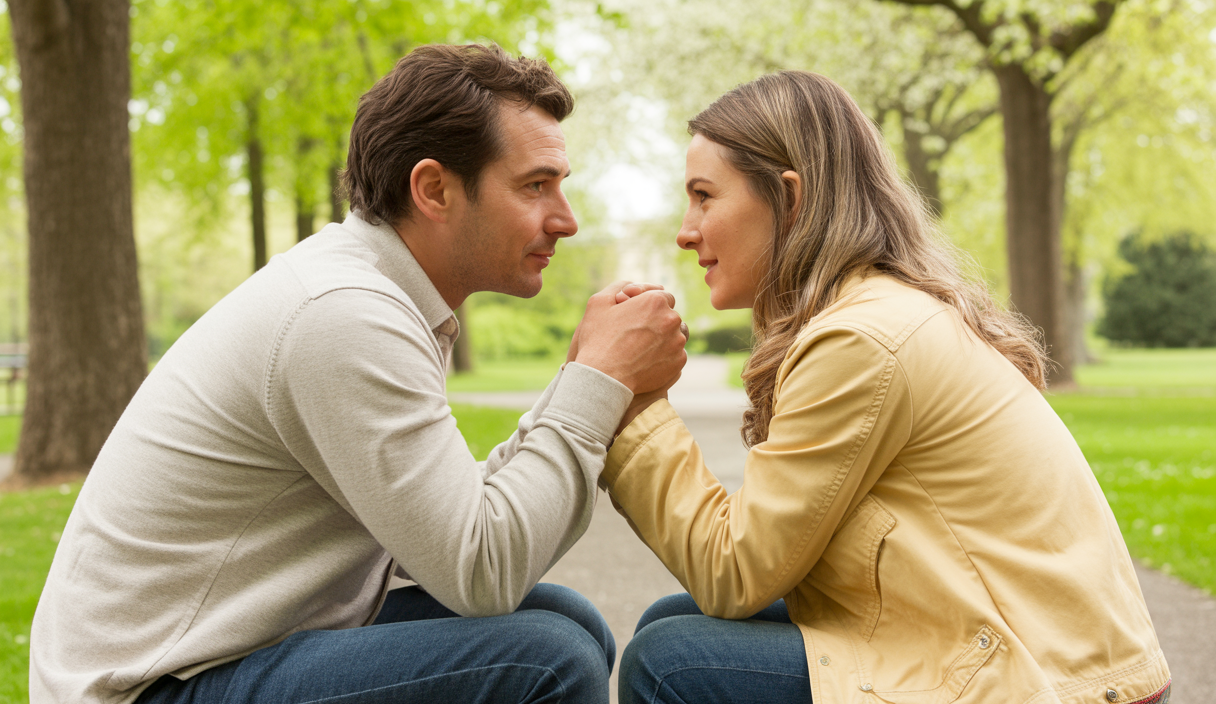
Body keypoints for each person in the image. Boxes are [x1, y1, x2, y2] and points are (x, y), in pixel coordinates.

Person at [29, 44, 687, 704]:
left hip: (232, 645)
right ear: (434, 190)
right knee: (547, 659)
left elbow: (445, 529)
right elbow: (481, 567)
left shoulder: (376, 294)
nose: (565, 220)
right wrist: (600, 380)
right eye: (535, 186)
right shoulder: (343, 315)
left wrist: (583, 374)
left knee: (569, 621)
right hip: (151, 685)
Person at [603, 71, 1171, 704]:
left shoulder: (862, 339)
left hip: (1052, 683)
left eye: (705, 196)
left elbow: (733, 571)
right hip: (1033, 656)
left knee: (672, 662)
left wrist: (629, 398)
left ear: (791, 199)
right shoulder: (878, 311)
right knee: (672, 622)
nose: (686, 229)